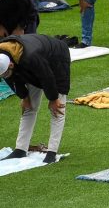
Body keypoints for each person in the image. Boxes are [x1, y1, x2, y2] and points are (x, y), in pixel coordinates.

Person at [0, 34, 70, 164]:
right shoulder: (3, 57)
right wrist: (24, 96)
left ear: (10, 65)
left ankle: (52, 152)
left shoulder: (30, 57)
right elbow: (10, 77)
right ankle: (20, 149)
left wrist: (53, 99)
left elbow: (47, 77)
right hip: (32, 65)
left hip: (57, 59)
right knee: (28, 108)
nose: (5, 76)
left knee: (57, 110)